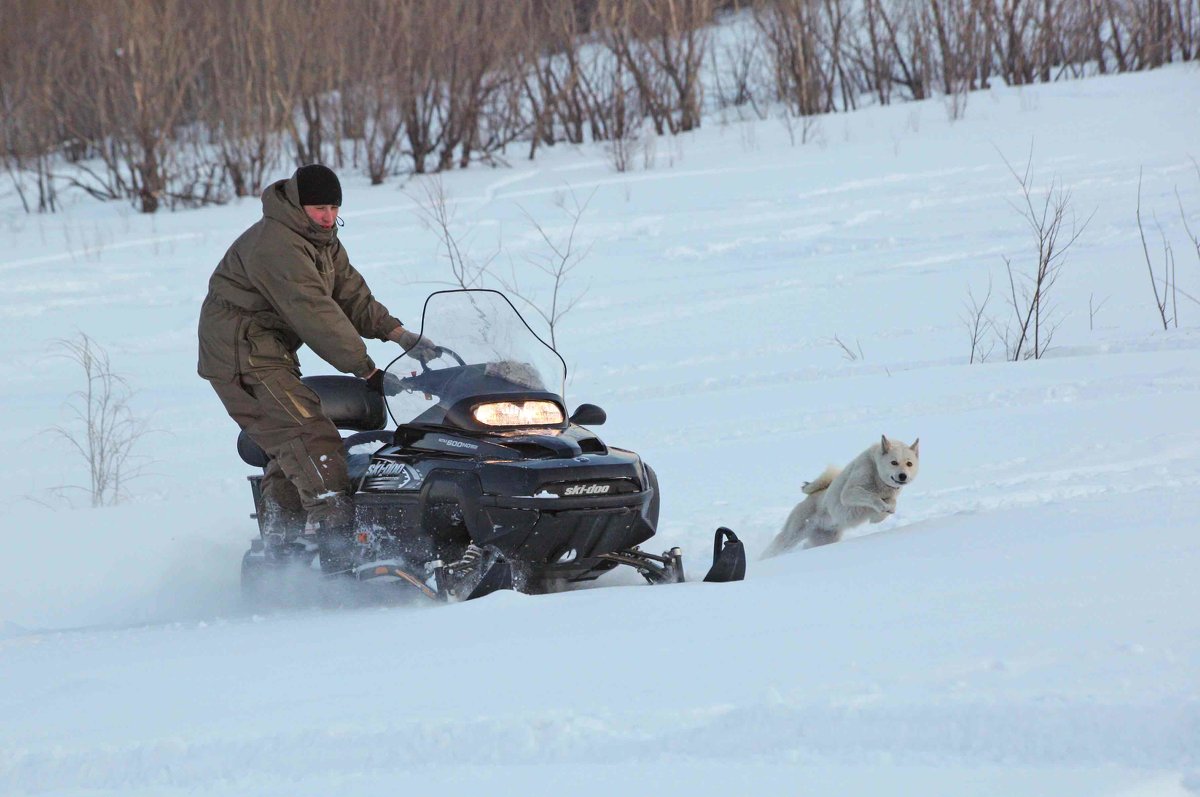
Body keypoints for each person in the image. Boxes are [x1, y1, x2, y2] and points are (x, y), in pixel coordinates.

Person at [197, 164, 432, 574]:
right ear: (299, 206)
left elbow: (351, 295)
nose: (328, 216)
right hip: (240, 354)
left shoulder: (322, 241)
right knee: (307, 431)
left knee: (296, 436)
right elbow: (315, 313)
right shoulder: (276, 245)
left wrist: (400, 335)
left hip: (268, 351)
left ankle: (284, 544)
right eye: (319, 207)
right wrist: (367, 370)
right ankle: (336, 547)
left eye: (334, 207)